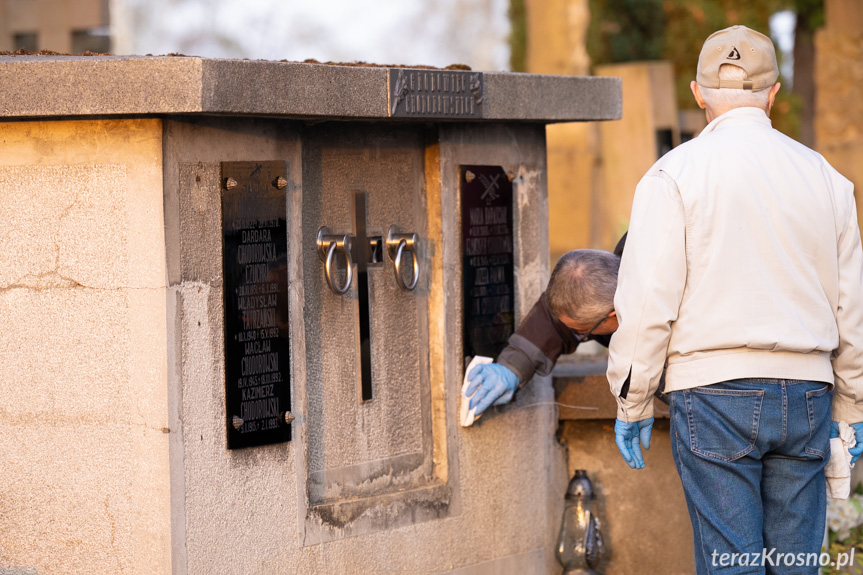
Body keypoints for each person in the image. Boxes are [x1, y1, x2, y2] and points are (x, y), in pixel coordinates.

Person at [607, 25, 863, 574]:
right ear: (774, 94)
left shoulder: (672, 175)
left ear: (699, 95)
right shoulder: (828, 180)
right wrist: (852, 407)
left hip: (714, 392)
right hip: (808, 393)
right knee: (796, 565)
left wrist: (632, 399)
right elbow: (852, 310)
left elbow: (650, 301)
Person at [466, 239, 624, 417]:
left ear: (614, 315)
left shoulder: (659, 290)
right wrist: (514, 365)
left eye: (583, 331)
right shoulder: (618, 278)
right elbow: (554, 321)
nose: (579, 335)